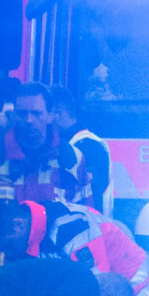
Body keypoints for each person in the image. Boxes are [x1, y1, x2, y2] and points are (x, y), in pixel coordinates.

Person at [0, 81, 65, 205]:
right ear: (14, 115)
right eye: (22, 113)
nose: (29, 120)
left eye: (36, 113)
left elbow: (88, 217)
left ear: (50, 115)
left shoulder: (71, 159)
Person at [48, 86, 113, 214]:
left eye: (44, 114)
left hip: (87, 228)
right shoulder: (70, 143)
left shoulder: (88, 146)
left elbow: (88, 198)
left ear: (58, 113)